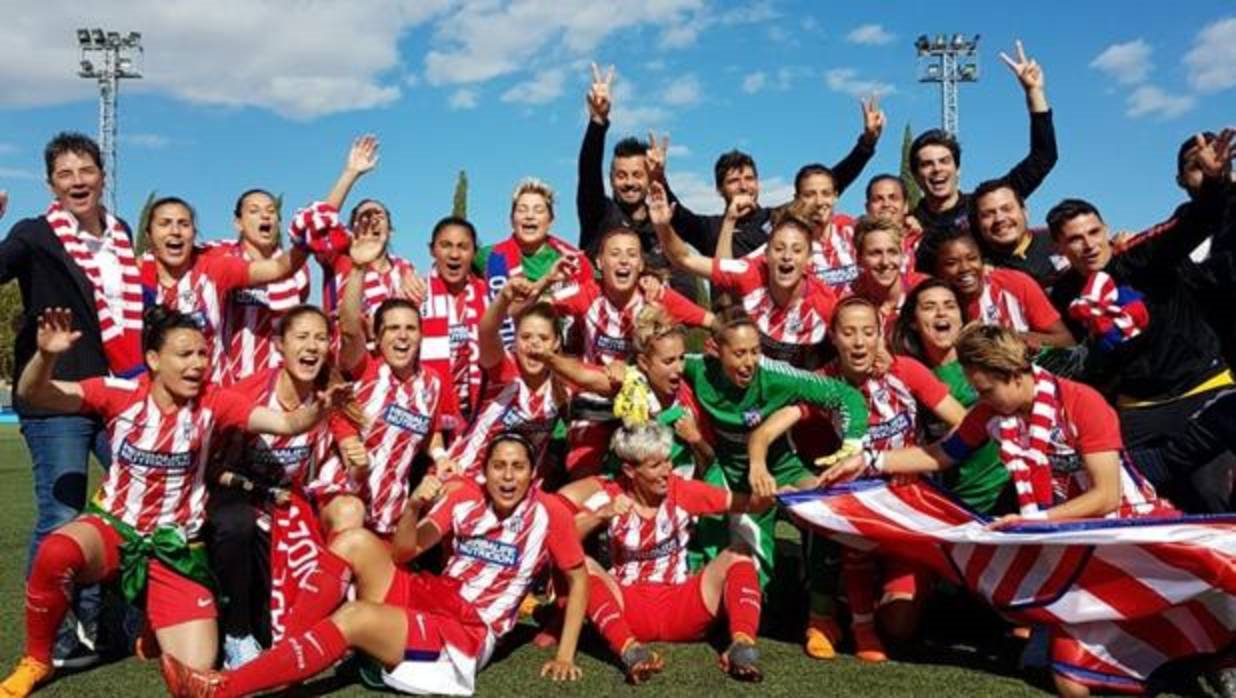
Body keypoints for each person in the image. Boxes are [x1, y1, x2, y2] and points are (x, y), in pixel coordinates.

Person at [0, 306, 342, 698]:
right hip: (116, 528)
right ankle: (37, 661)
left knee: (195, 671)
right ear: (153, 359)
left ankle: (149, 617)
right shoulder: (118, 393)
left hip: (175, 547)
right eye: (185, 354)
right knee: (57, 550)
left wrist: (314, 412)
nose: (198, 364)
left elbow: (285, 424)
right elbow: (33, 393)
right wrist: (46, 356)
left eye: (202, 354)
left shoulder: (216, 402)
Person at [819, 324, 1173, 698]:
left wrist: (1034, 524)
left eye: (986, 388)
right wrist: (869, 460)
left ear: (1015, 374)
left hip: (1131, 536)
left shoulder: (1082, 402)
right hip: (1072, 544)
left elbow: (1107, 497)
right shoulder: (990, 411)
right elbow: (938, 455)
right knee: (1069, 679)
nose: (980, 397)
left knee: (1192, 626)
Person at [160, 433, 591, 697]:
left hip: (468, 634)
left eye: (518, 467)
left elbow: (577, 577)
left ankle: (223, 688)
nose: (508, 476)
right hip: (434, 596)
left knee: (354, 616)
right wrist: (414, 507)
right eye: (499, 466)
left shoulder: (549, 512)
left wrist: (566, 652)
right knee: (351, 541)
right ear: (485, 471)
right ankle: (284, 663)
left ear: (533, 474)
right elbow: (403, 553)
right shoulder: (464, 497)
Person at [753, 298, 965, 661]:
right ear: (833, 337)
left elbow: (964, 424)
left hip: (906, 503)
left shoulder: (905, 371)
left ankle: (886, 590)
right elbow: (768, 428)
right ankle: (829, 618)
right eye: (848, 332)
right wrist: (759, 465)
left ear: (880, 335)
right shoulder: (824, 382)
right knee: (820, 503)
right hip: (860, 502)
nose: (859, 342)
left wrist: (923, 459)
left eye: (868, 332)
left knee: (900, 625)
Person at [0, 132, 141, 666]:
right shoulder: (35, 234)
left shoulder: (122, 234)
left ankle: (107, 618)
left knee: (135, 508)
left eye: (86, 170)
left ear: (103, 175)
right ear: (50, 184)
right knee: (61, 516)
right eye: (65, 174)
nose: (78, 181)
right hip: (58, 396)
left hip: (115, 395)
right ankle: (54, 642)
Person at [1046, 130, 1235, 513]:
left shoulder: (1141, 256)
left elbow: (1192, 225)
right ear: (1059, 248)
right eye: (1076, 239)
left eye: (1095, 232)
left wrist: (1215, 182)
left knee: (1209, 495)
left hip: (1201, 389)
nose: (1090, 244)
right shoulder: (1063, 294)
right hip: (1138, 412)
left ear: (1107, 230)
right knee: (1115, 499)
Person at [557, 422, 768, 684]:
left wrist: (771, 492)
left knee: (740, 552)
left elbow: (746, 504)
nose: (667, 471)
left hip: (682, 606)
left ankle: (742, 645)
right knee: (583, 565)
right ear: (629, 470)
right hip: (629, 609)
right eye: (656, 466)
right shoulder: (609, 494)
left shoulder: (682, 490)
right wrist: (600, 515)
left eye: (668, 462)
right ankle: (630, 650)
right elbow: (562, 542)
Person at [677, 309, 869, 587]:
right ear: (717, 351)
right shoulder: (699, 368)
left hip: (781, 469)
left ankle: (819, 598)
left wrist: (852, 444)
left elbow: (845, 395)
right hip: (728, 472)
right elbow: (663, 363)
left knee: (823, 504)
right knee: (715, 546)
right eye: (739, 353)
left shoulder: (777, 376)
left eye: (755, 351)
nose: (749, 362)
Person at [204, 305, 338, 668]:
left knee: (278, 629)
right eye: (302, 337)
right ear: (279, 344)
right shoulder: (248, 392)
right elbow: (211, 464)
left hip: (289, 511)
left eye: (321, 338)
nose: (312, 347)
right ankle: (234, 631)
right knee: (237, 525)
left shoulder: (331, 395)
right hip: (240, 502)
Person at [310, 235, 457, 537]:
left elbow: (432, 435)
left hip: (389, 509)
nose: (402, 336)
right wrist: (360, 270)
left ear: (420, 336)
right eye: (392, 328)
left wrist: (442, 458)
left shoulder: (432, 383)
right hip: (344, 494)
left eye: (410, 329)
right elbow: (350, 329)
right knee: (350, 516)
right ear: (377, 336)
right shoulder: (364, 367)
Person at [537, 228, 712, 475]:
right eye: (615, 253)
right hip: (593, 399)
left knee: (652, 464)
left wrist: (723, 345)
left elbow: (710, 320)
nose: (623, 260)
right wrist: (545, 281)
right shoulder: (585, 293)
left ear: (641, 264)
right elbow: (530, 308)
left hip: (645, 401)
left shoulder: (655, 294)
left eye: (631, 254)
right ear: (599, 262)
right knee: (580, 468)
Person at [668, 97, 885, 260]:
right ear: (719, 189)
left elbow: (830, 182)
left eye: (750, 178)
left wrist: (866, 144)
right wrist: (657, 176)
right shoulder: (709, 228)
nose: (744, 186)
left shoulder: (779, 217)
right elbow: (674, 213)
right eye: (734, 181)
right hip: (733, 318)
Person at [652, 182, 839, 369]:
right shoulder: (749, 273)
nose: (787, 257)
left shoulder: (824, 302)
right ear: (765, 255)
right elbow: (683, 259)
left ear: (809, 260)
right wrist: (663, 226)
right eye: (779, 249)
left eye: (797, 250)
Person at [910, 41, 1057, 270]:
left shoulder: (986, 204)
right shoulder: (910, 225)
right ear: (916, 175)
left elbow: (1043, 157)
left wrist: (1034, 92)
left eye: (944, 161)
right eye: (927, 164)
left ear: (957, 169)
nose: (937, 169)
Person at [141, 197, 310, 383]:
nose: (175, 231)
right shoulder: (132, 278)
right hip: (156, 399)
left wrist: (309, 234)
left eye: (184, 224)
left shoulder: (214, 269)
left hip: (214, 396)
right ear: (149, 235)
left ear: (194, 233)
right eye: (165, 224)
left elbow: (279, 267)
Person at [890, 280, 1013, 515]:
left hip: (1012, 488)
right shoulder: (908, 377)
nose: (941, 312)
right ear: (914, 323)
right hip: (959, 504)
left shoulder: (991, 363)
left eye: (950, 305)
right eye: (929, 307)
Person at [575, 63, 695, 297]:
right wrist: (597, 123)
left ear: (649, 178)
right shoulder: (599, 215)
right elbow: (588, 172)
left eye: (637, 175)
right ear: (611, 180)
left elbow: (687, 287)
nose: (629, 182)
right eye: (621, 175)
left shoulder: (664, 223)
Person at [297, 136, 423, 345]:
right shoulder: (339, 259)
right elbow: (319, 226)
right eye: (364, 217)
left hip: (395, 362)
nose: (372, 221)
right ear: (352, 228)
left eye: (378, 216)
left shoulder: (404, 267)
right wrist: (351, 174)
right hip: (345, 362)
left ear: (390, 230)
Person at [444, 287, 571, 482]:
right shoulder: (504, 370)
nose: (534, 344)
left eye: (543, 338)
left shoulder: (563, 382)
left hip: (520, 487)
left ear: (555, 343)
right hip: (468, 476)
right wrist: (503, 298)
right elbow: (486, 332)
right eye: (526, 337)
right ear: (515, 341)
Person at [475, 178, 595, 346]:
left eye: (538, 210)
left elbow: (601, 294)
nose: (529, 216)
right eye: (522, 210)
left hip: (562, 357)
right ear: (511, 220)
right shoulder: (488, 257)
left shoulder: (573, 261)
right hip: (508, 358)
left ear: (551, 221)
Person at [209, 189, 312, 385]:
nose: (265, 215)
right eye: (254, 211)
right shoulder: (220, 255)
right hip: (228, 382)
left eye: (271, 211)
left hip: (275, 383)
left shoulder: (299, 271)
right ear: (238, 223)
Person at [930, 227, 1074, 350]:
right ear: (937, 270)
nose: (965, 268)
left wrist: (1017, 338)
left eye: (972, 258)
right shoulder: (935, 310)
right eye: (951, 263)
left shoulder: (1014, 283)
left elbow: (1066, 340)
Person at [418, 216, 489, 426]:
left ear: (474, 253)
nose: (454, 254)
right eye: (446, 245)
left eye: (463, 247)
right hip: (427, 412)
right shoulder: (416, 293)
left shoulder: (488, 296)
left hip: (477, 411)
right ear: (432, 250)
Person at [968, 178, 1069, 290]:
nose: (999, 218)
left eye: (1007, 209)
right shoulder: (979, 272)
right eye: (988, 214)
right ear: (977, 223)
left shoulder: (1061, 240)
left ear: (1025, 211)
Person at [846, 216, 929, 340]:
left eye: (892, 252)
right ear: (858, 259)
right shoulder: (852, 303)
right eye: (875, 253)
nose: (885, 262)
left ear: (902, 255)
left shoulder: (924, 290)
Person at [864, 174, 924, 268]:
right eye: (878, 199)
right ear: (867, 208)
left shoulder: (922, 245)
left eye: (893, 198)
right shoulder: (852, 245)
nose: (886, 204)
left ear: (905, 206)